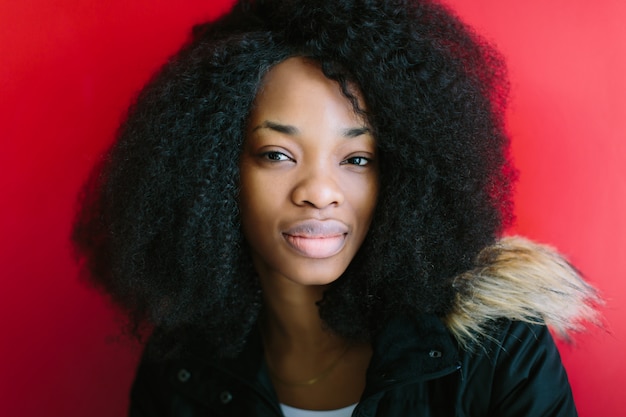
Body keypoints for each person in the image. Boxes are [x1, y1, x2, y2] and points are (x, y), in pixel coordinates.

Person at [72, 0, 601, 415]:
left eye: (358, 157)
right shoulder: (181, 370)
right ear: (213, 172)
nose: (319, 191)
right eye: (277, 154)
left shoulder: (501, 351)